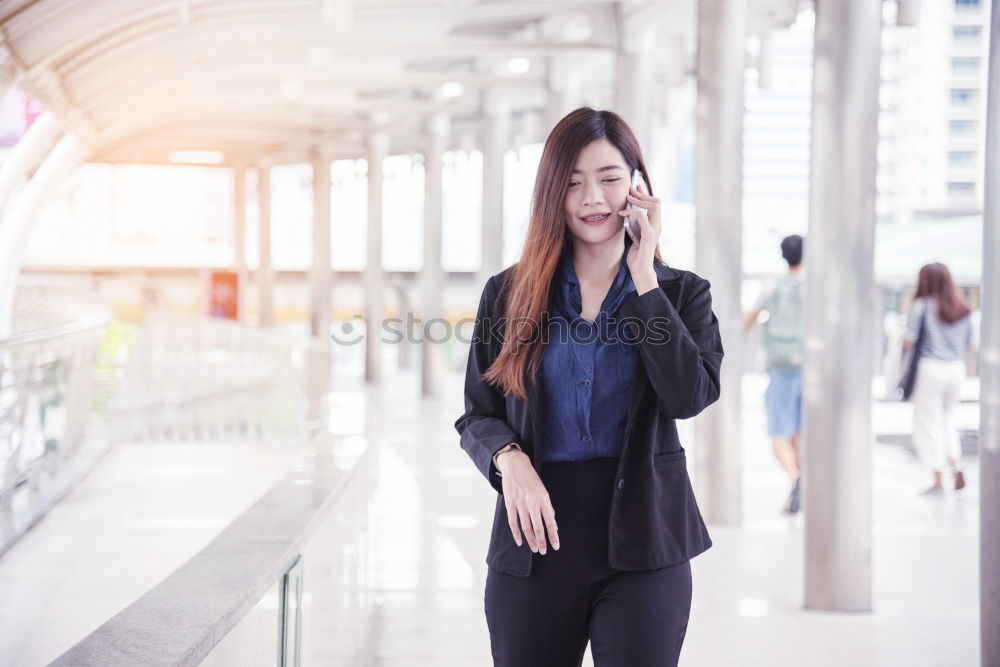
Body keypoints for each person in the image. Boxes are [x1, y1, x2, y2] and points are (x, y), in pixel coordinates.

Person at [454, 107, 723, 666]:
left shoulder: (682, 294)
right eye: (573, 183)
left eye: (609, 178)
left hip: (645, 539)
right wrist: (511, 461)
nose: (592, 198)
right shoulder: (508, 295)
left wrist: (645, 275)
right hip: (535, 538)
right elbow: (477, 414)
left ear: (638, 185)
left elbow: (689, 396)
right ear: (551, 192)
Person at [743, 235, 805, 514]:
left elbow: (751, 317)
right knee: (800, 430)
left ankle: (794, 478)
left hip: (780, 365)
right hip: (810, 364)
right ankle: (801, 482)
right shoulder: (814, 286)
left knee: (778, 430)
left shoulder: (773, 284)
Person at [902, 262, 973, 495]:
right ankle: (957, 463)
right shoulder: (963, 307)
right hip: (956, 368)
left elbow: (909, 340)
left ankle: (938, 476)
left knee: (927, 422)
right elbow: (969, 343)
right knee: (948, 420)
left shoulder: (922, 306)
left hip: (931, 368)